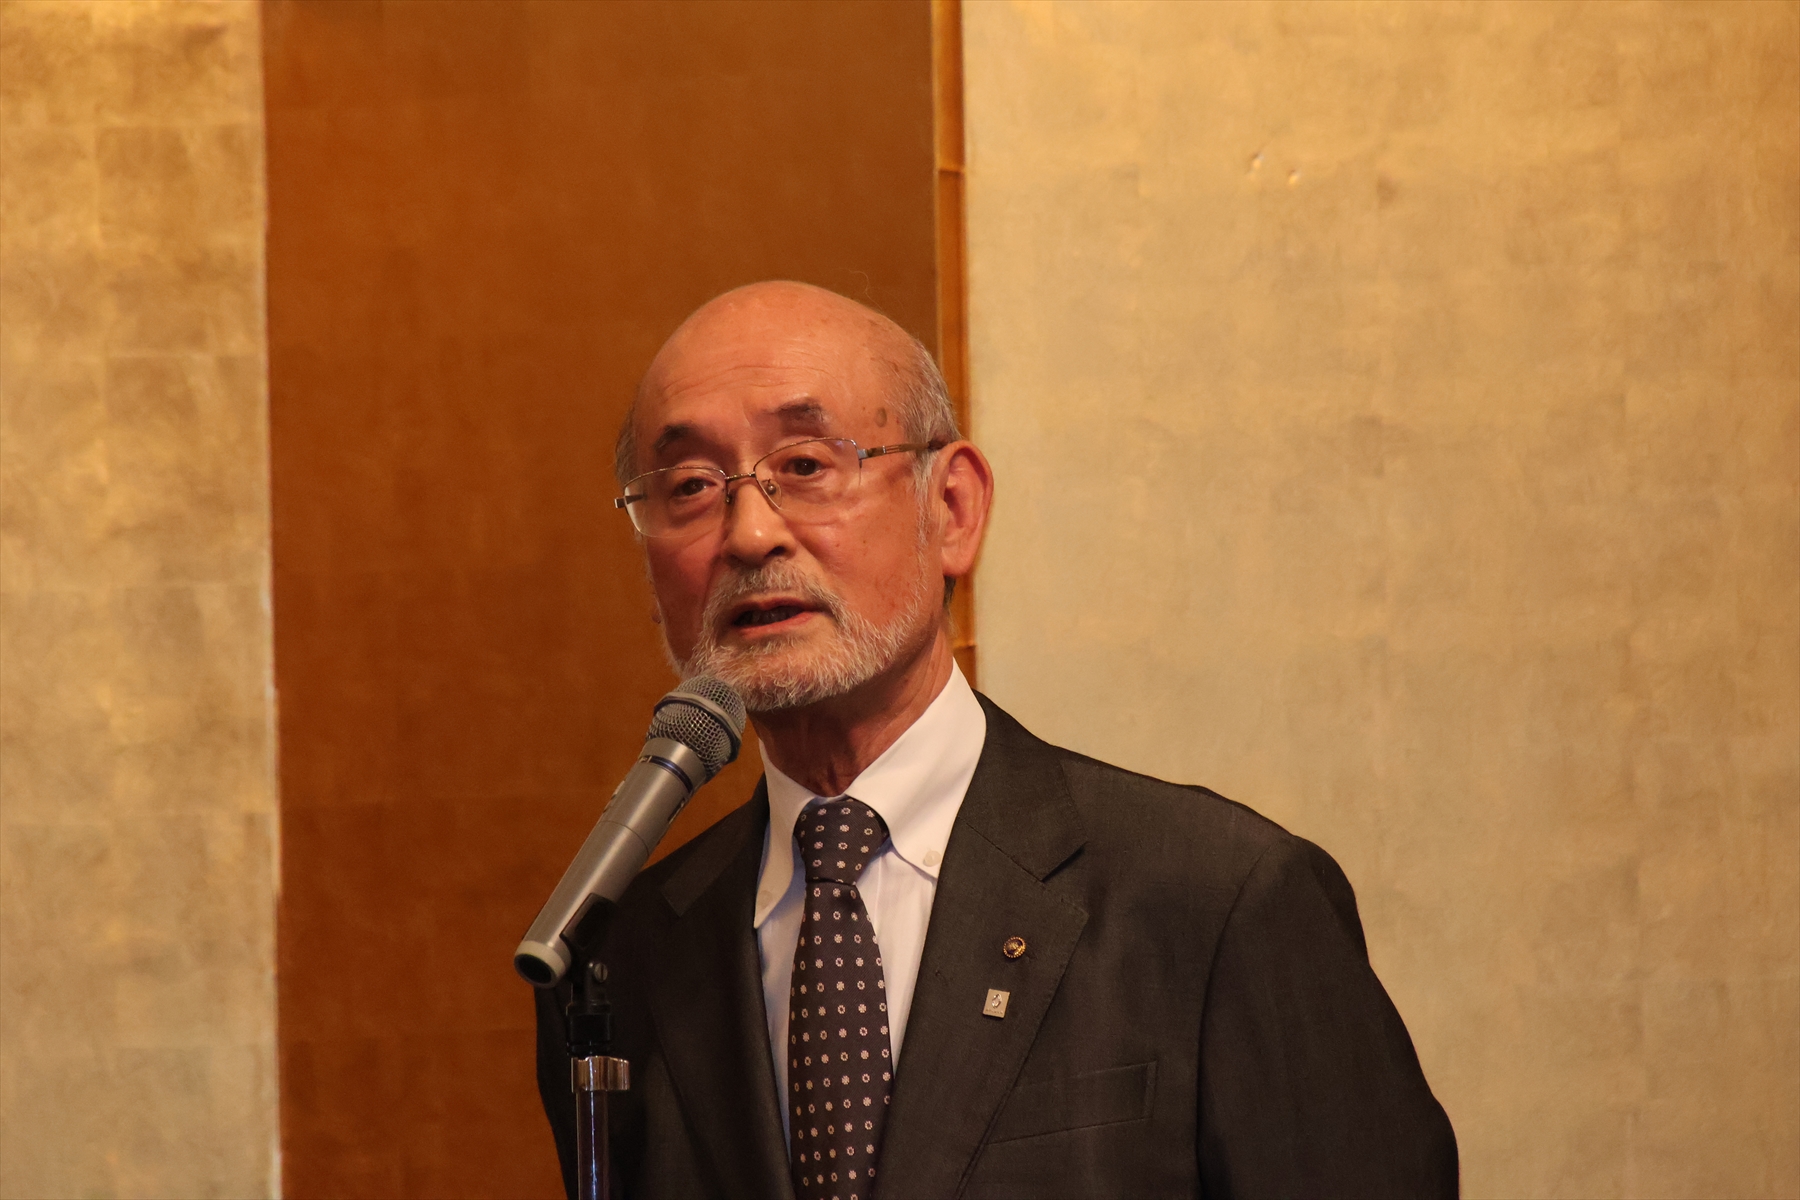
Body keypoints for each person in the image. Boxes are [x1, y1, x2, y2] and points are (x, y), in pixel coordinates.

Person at [535, 281, 1458, 1199]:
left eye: (806, 465)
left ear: (953, 508)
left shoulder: (1218, 903)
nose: (749, 532)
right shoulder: (620, 963)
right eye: (692, 487)